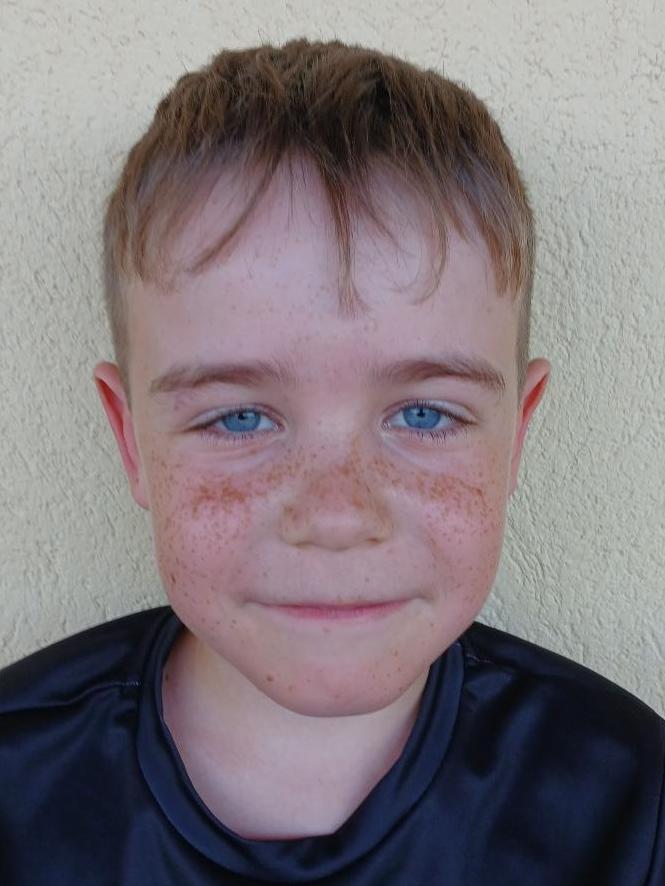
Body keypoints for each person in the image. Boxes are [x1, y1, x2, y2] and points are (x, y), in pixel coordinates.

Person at [1, 37, 663, 885]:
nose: (338, 517)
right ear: (131, 441)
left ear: (516, 437)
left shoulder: (629, 804)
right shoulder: (17, 788)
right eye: (238, 418)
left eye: (424, 414)